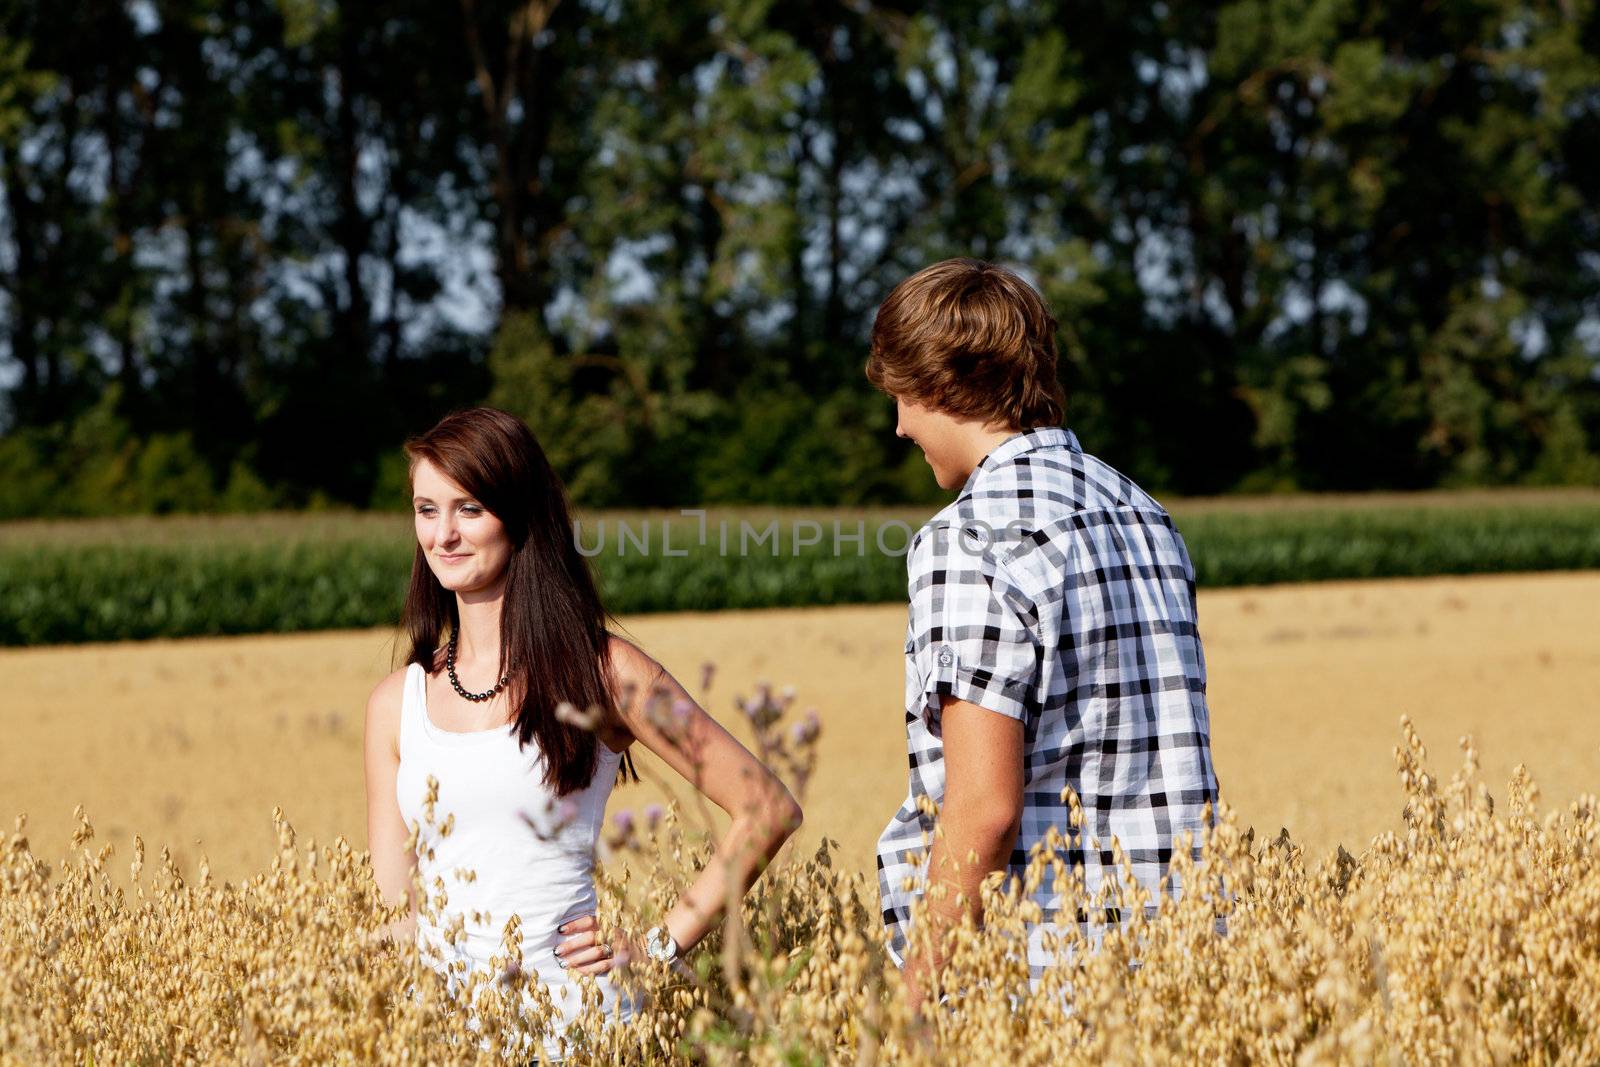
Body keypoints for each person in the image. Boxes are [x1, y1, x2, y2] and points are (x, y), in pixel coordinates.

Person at [363, 406, 803, 1062]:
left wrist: (658, 947)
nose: (443, 534)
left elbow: (766, 807)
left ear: (520, 516)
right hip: (445, 1039)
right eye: (427, 510)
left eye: (469, 509)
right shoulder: (396, 703)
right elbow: (394, 910)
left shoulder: (607, 673)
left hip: (581, 1030)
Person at [866, 258, 1221, 1009]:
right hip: (1186, 962)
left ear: (937, 383)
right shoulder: (1142, 512)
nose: (899, 425)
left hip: (1048, 973)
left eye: (900, 397)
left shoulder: (968, 538)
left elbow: (985, 807)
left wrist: (912, 1005)